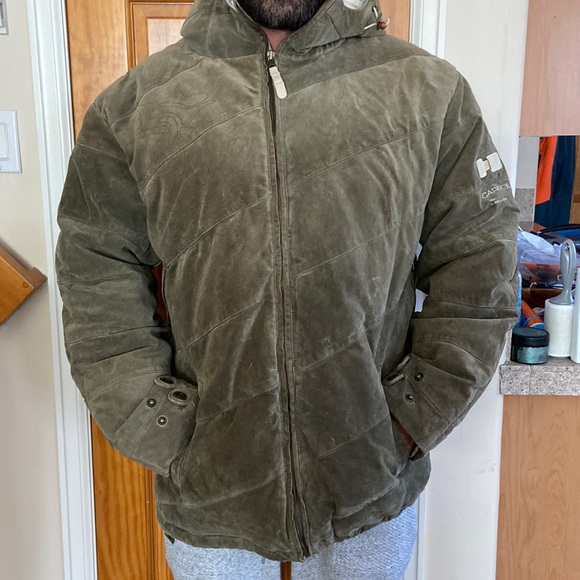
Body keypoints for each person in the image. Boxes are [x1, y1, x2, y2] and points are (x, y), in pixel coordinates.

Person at [55, 0, 520, 576]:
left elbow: (480, 258)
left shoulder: (429, 91)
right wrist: (159, 426)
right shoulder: (135, 107)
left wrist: (412, 415)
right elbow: (94, 270)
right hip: (210, 486)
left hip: (368, 479)